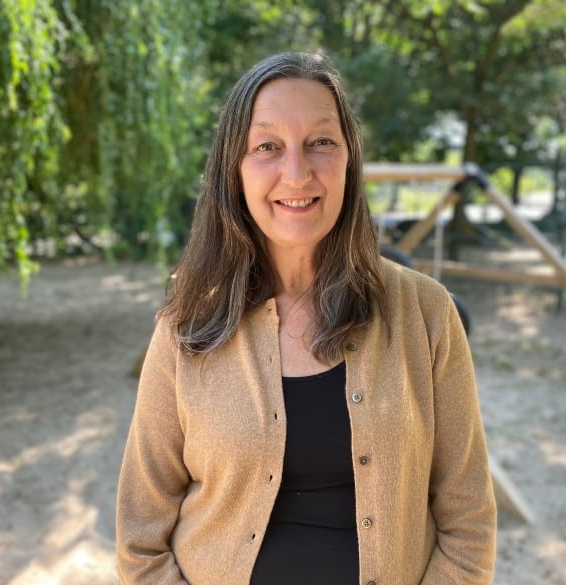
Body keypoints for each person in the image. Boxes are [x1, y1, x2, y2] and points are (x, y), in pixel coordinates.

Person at [116, 51, 497, 585]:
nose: (296, 173)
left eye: (321, 142)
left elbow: (469, 520)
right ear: (235, 168)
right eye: (267, 147)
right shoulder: (186, 324)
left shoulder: (427, 312)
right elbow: (140, 537)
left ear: (349, 159)